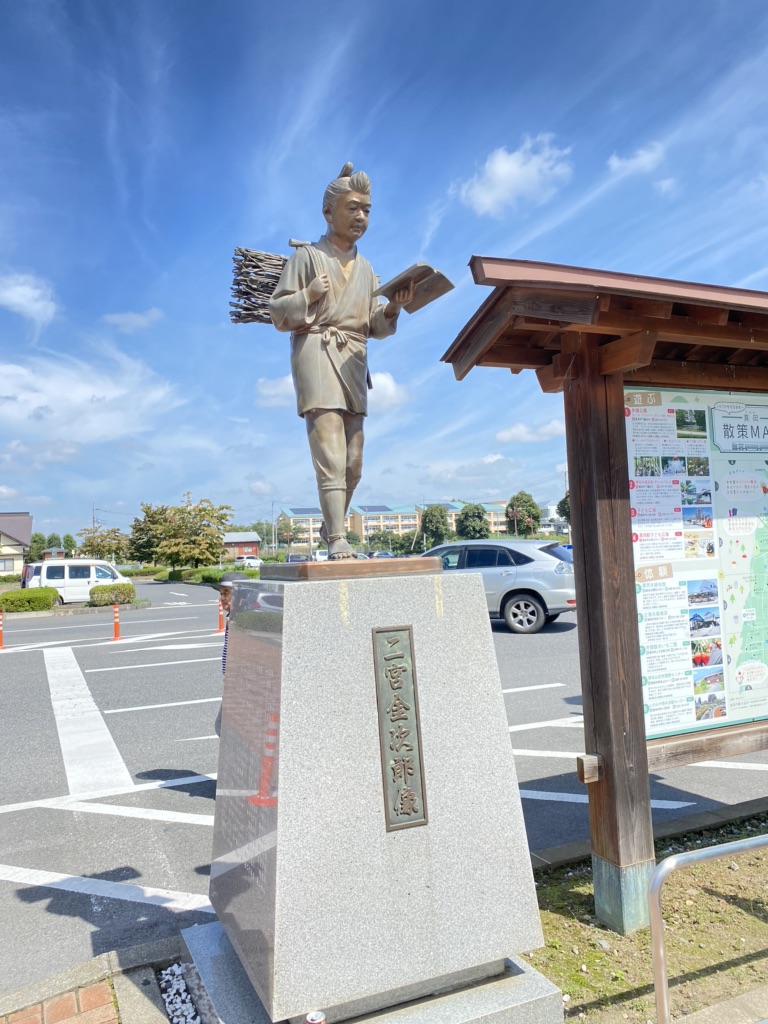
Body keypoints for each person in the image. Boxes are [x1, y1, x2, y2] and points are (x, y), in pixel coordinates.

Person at [269, 163, 413, 560]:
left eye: (366, 209)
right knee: (330, 452)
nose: (361, 216)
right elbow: (277, 312)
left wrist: (393, 309)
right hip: (317, 349)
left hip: (354, 357)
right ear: (328, 212)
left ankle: (331, 520)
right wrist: (308, 294)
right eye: (353, 208)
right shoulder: (307, 257)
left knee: (354, 461)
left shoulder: (367, 269)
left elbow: (374, 324)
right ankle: (337, 537)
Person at [212, 571, 248, 736]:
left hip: (242, 688)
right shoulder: (232, 619)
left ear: (241, 595)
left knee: (224, 728)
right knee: (223, 728)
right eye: (221, 593)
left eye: (226, 593)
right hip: (233, 685)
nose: (222, 598)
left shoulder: (243, 621)